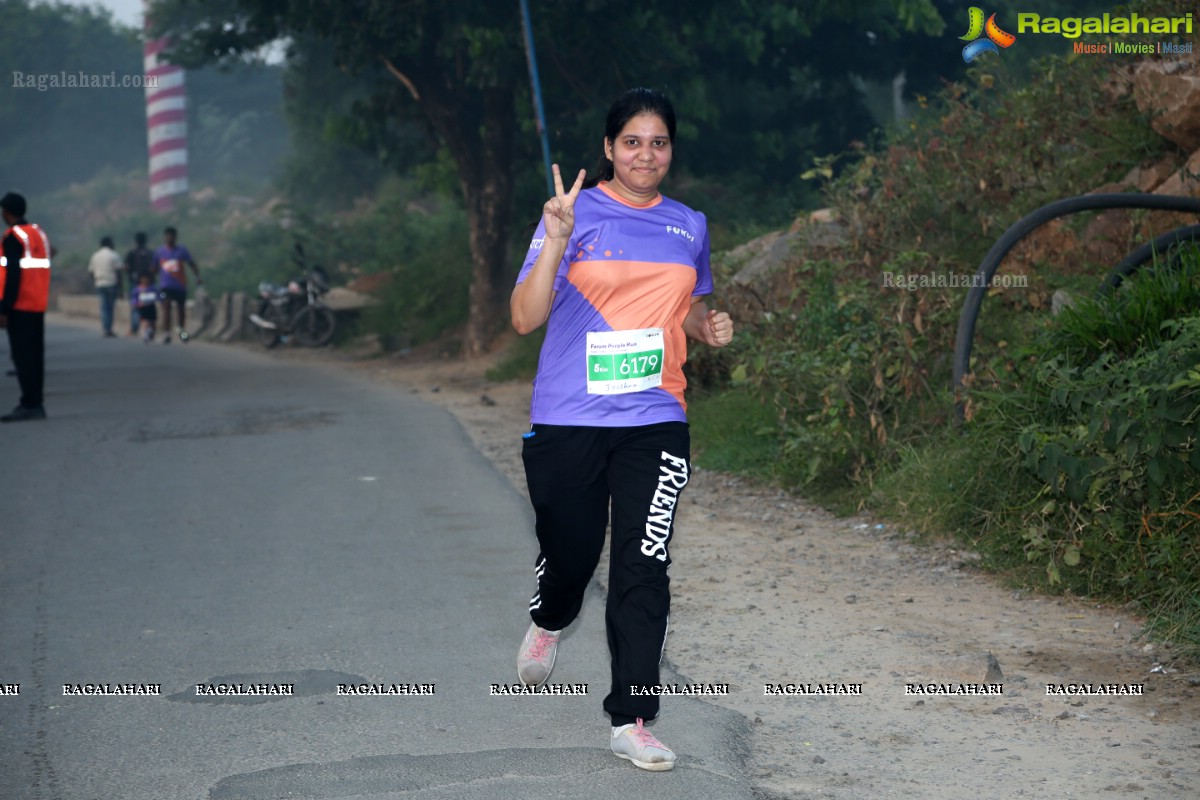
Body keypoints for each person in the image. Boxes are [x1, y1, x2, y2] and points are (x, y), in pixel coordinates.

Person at [510, 88, 734, 772]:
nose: (646, 154)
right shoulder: (572, 216)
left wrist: (707, 324)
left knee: (644, 565)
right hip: (568, 417)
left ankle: (634, 716)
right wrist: (554, 241)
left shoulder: (688, 225)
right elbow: (524, 318)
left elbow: (687, 306)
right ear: (609, 149)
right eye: (632, 142)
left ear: (671, 151)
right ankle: (551, 617)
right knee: (572, 551)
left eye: (658, 142)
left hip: (655, 419)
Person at [0, 192, 51, 422]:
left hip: (19, 304)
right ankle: (36, 402)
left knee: (22, 356)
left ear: (7, 212)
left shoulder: (13, 237)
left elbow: (12, 275)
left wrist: (4, 308)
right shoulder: (38, 234)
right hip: (37, 302)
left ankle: (29, 403)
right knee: (36, 355)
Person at [153, 226, 201, 343]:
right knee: (166, 307)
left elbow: (191, 263)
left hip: (180, 285)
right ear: (165, 237)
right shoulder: (160, 252)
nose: (170, 238)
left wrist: (197, 277)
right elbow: (153, 268)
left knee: (181, 311)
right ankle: (166, 333)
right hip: (165, 285)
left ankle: (182, 334)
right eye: (168, 236)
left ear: (175, 237)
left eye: (172, 236)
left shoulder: (181, 251)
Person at [87, 235, 122, 337]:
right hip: (111, 283)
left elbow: (91, 271)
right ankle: (108, 329)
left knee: (104, 307)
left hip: (100, 283)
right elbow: (118, 272)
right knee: (110, 308)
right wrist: (120, 287)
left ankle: (105, 328)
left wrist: (95, 281)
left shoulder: (95, 256)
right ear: (109, 243)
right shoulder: (114, 255)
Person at [124, 232, 156, 336]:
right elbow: (155, 267)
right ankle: (150, 327)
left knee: (135, 304)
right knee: (149, 304)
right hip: (149, 282)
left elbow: (126, 267)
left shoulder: (132, 253)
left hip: (135, 282)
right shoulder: (150, 253)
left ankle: (134, 328)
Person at [131, 273, 159, 343]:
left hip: (151, 306)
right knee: (144, 321)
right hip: (143, 307)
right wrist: (137, 304)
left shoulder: (152, 288)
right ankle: (145, 334)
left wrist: (159, 299)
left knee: (152, 321)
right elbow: (134, 299)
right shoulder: (137, 289)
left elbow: (158, 295)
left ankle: (152, 332)